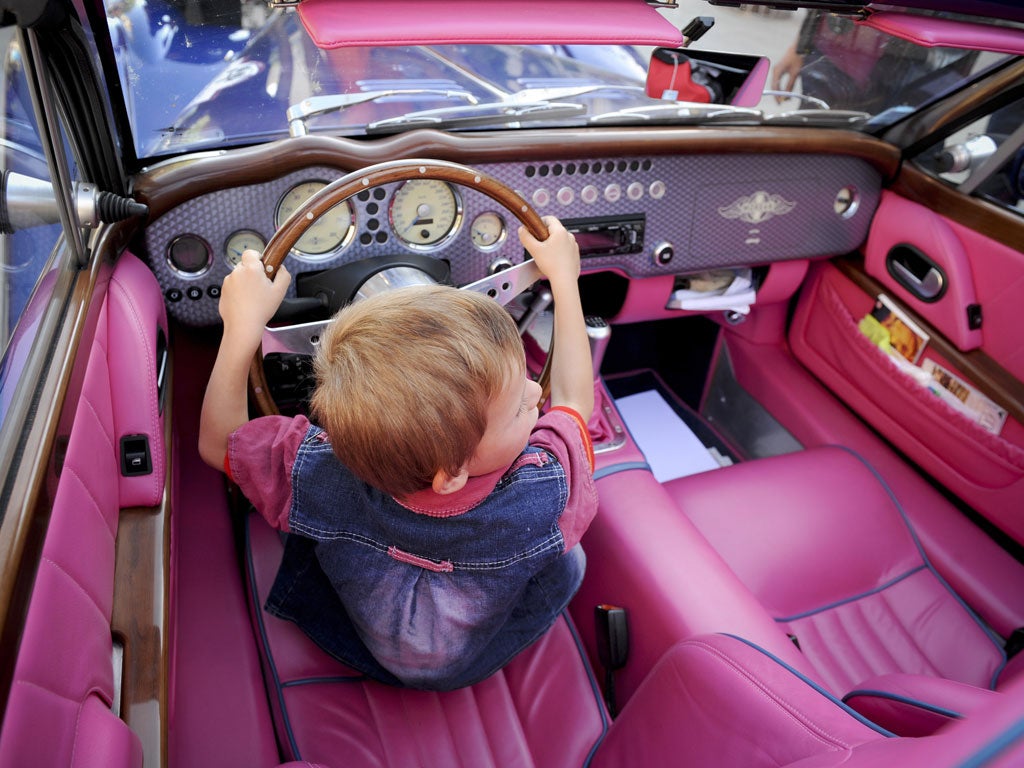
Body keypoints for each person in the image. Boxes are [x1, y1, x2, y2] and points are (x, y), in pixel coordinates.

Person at [198, 215, 598, 691]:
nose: (536, 391)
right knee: (570, 559)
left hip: (354, 633)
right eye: (518, 409)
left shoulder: (317, 472)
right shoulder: (546, 492)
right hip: (464, 661)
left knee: (304, 522)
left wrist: (240, 326)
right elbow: (573, 400)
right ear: (448, 475)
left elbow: (217, 442)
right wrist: (564, 281)